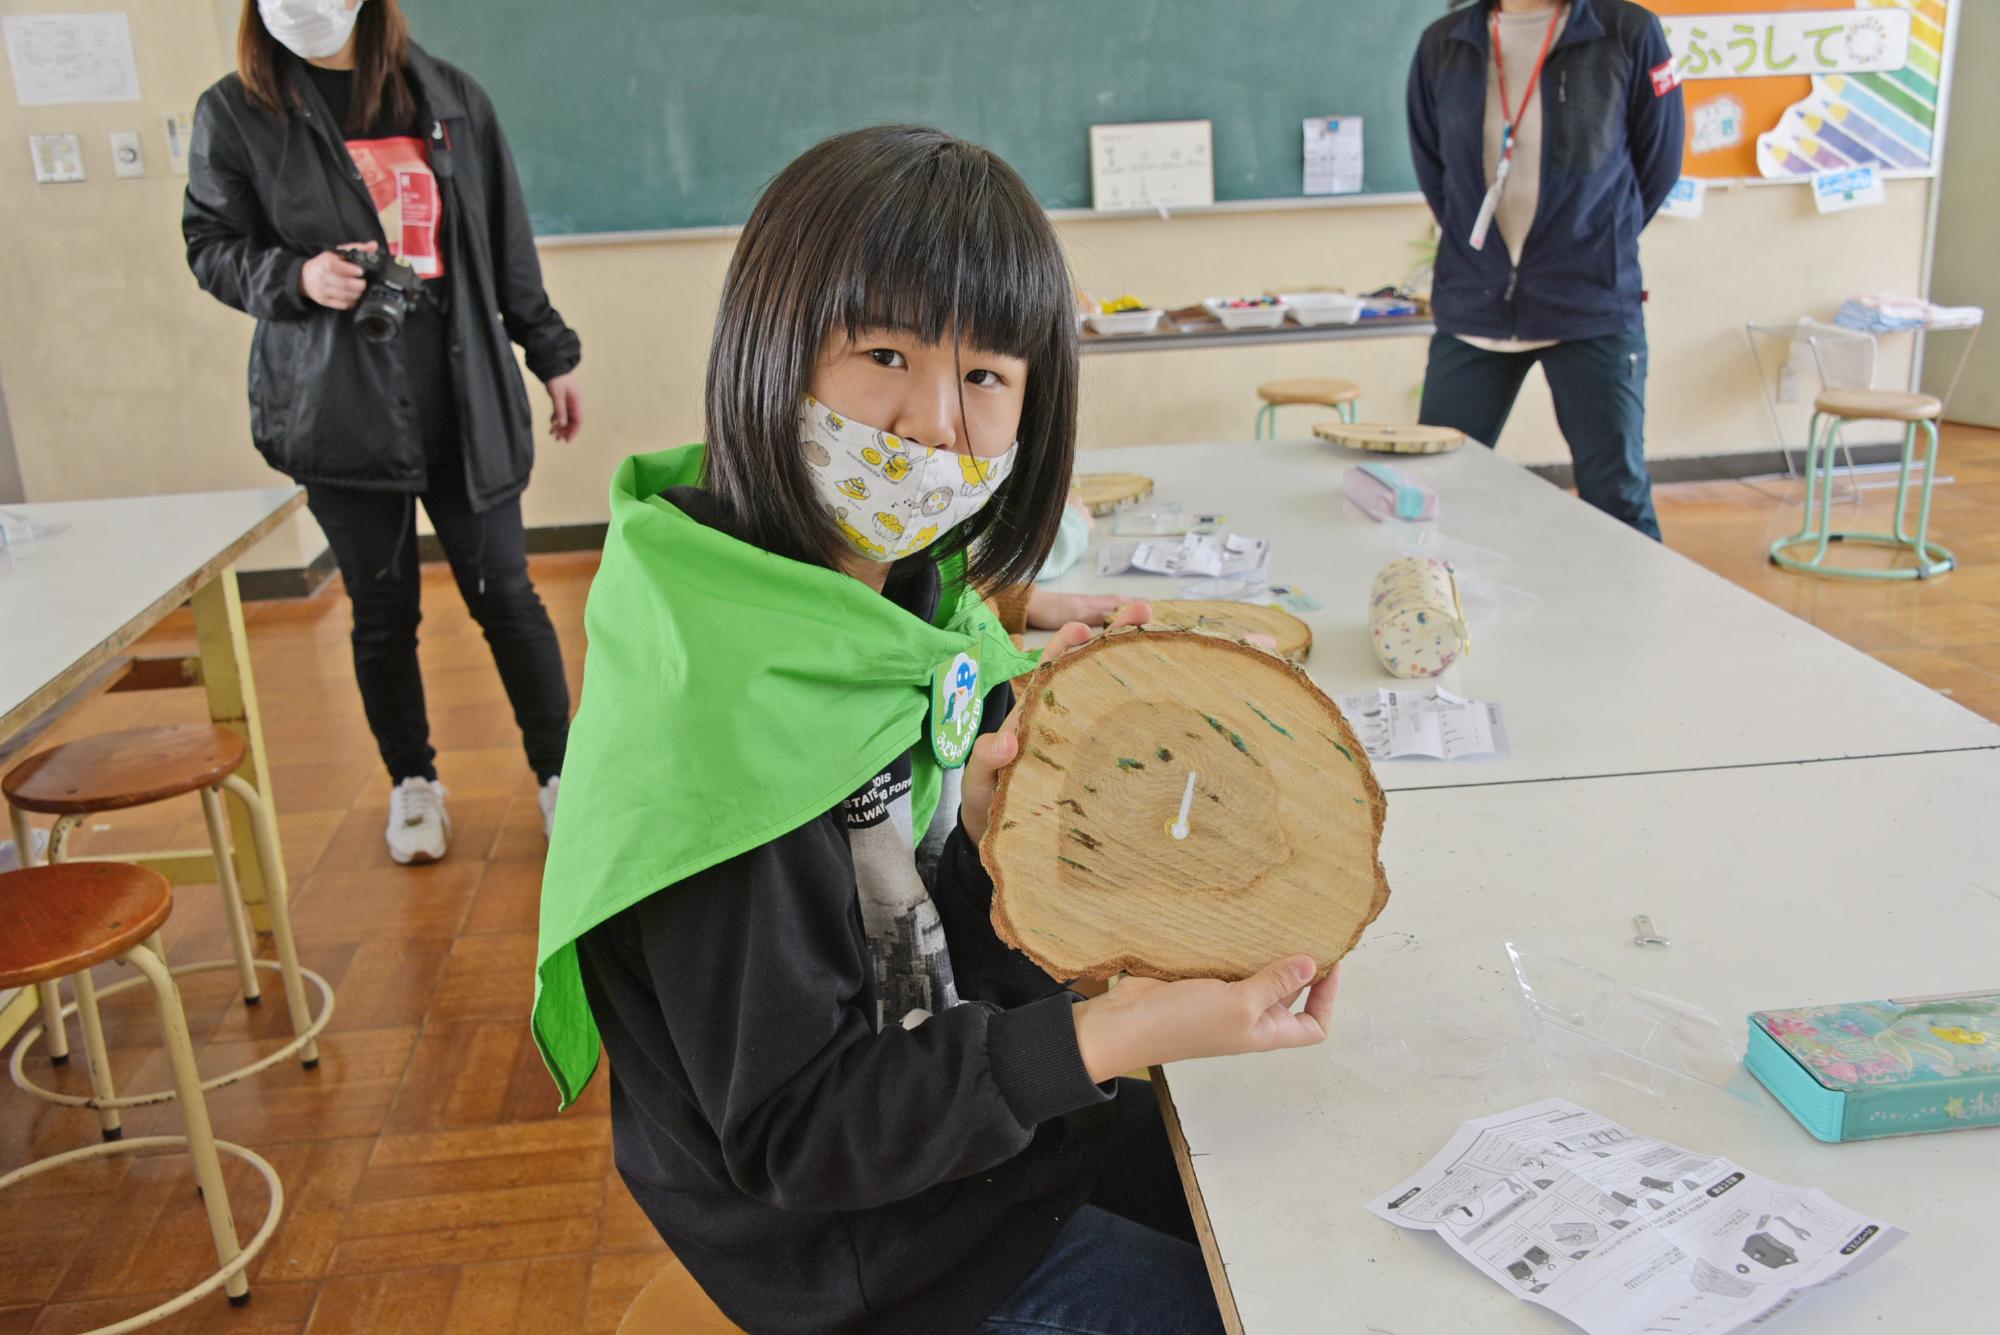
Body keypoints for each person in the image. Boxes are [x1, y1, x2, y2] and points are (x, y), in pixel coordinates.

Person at [533, 126, 1340, 1335]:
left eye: (984, 377)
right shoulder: (724, 705)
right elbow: (797, 1133)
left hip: (954, 1126)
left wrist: (977, 852)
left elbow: (898, 934)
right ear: (772, 346)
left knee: (1302, 1221)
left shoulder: (892, 598)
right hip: (862, 1253)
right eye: (884, 355)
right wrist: (1110, 1029)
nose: (929, 426)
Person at [183, 0, 581, 863]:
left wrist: (552, 355)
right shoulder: (234, 110)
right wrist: (293, 276)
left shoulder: (452, 99)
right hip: (336, 408)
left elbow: (508, 244)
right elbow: (209, 242)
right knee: (381, 611)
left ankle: (563, 777)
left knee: (506, 595)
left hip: (461, 392)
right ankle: (414, 785)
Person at [1407, 0, 1685, 539]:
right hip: (1475, 307)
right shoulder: (1444, 43)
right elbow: (1436, 172)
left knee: (1616, 497)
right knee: (1432, 491)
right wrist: (1483, 255)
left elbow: (1659, 163)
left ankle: (1634, 621)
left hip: (1590, 306)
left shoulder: (1627, 31)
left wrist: (1592, 244)